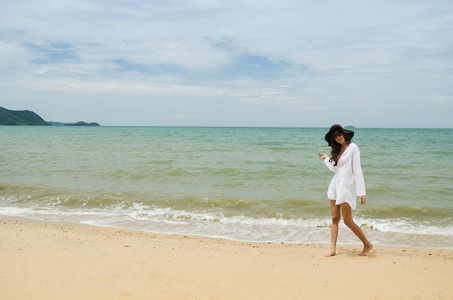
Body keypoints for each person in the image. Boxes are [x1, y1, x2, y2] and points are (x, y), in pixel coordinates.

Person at [318, 124, 373, 256]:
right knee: (335, 217)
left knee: (347, 221)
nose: (338, 137)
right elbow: (337, 169)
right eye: (335, 136)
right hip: (335, 186)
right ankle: (332, 249)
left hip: (346, 187)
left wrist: (361, 192)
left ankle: (367, 244)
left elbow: (357, 170)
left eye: (339, 134)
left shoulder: (353, 148)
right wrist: (327, 159)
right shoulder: (338, 149)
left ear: (344, 133)